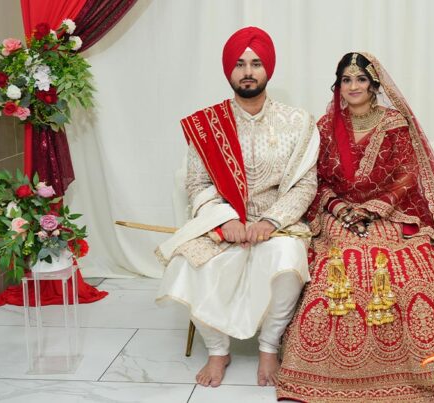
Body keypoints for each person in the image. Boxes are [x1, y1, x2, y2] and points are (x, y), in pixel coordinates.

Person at [275, 52, 434, 402]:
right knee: (341, 272)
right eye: (347, 80)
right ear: (338, 86)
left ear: (374, 84)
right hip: (337, 217)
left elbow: (407, 175)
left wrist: (373, 208)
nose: (353, 86)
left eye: (361, 79)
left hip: (388, 215)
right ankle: (327, 374)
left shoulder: (394, 123)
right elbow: (316, 180)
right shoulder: (324, 127)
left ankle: (426, 371)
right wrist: (339, 208)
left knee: (422, 273)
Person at [155, 27, 318, 388]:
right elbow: (197, 183)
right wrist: (225, 219)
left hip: (279, 223)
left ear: (268, 69)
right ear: (228, 71)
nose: (248, 71)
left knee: (288, 259)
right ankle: (217, 350)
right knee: (188, 263)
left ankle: (268, 347)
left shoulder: (298, 122)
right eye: (240, 64)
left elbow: (306, 183)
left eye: (256, 63)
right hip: (221, 222)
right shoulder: (207, 124)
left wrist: (272, 221)